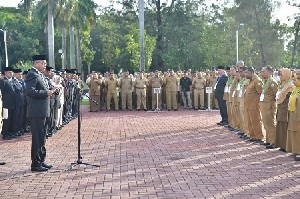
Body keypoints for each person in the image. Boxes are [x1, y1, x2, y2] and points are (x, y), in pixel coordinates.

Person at [26, 55, 57, 172]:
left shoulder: (40, 74)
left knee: (42, 137)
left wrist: (53, 90)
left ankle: (41, 160)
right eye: (43, 63)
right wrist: (46, 93)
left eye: (45, 63)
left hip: (43, 111)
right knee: (37, 138)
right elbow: (29, 91)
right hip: (36, 112)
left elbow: (45, 89)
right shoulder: (32, 74)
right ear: (36, 63)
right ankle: (35, 163)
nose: (45, 66)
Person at [275, 68, 294, 152]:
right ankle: (281, 145)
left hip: (285, 109)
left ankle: (286, 145)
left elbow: (288, 99)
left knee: (284, 126)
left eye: (281, 75)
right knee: (279, 125)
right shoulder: (281, 84)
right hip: (280, 107)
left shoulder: (290, 85)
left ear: (286, 75)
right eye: (279, 75)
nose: (280, 76)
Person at [259, 66, 278, 149]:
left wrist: (271, 105)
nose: (262, 73)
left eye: (264, 71)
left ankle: (273, 142)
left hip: (269, 106)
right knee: (266, 123)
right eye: (262, 71)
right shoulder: (265, 81)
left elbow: (275, 95)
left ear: (269, 72)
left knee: (270, 124)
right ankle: (268, 140)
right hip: (264, 105)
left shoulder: (272, 82)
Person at [244, 67, 264, 144]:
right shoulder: (251, 81)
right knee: (250, 121)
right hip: (249, 105)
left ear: (252, 73)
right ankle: (253, 136)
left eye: (247, 73)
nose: (245, 74)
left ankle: (259, 137)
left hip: (254, 105)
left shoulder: (257, 81)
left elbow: (260, 93)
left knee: (256, 121)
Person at [286, 68, 300, 161]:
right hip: (293, 114)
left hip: (298, 116)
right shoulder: (295, 89)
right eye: (294, 80)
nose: (294, 82)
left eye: (296, 80)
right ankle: (295, 150)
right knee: (294, 132)